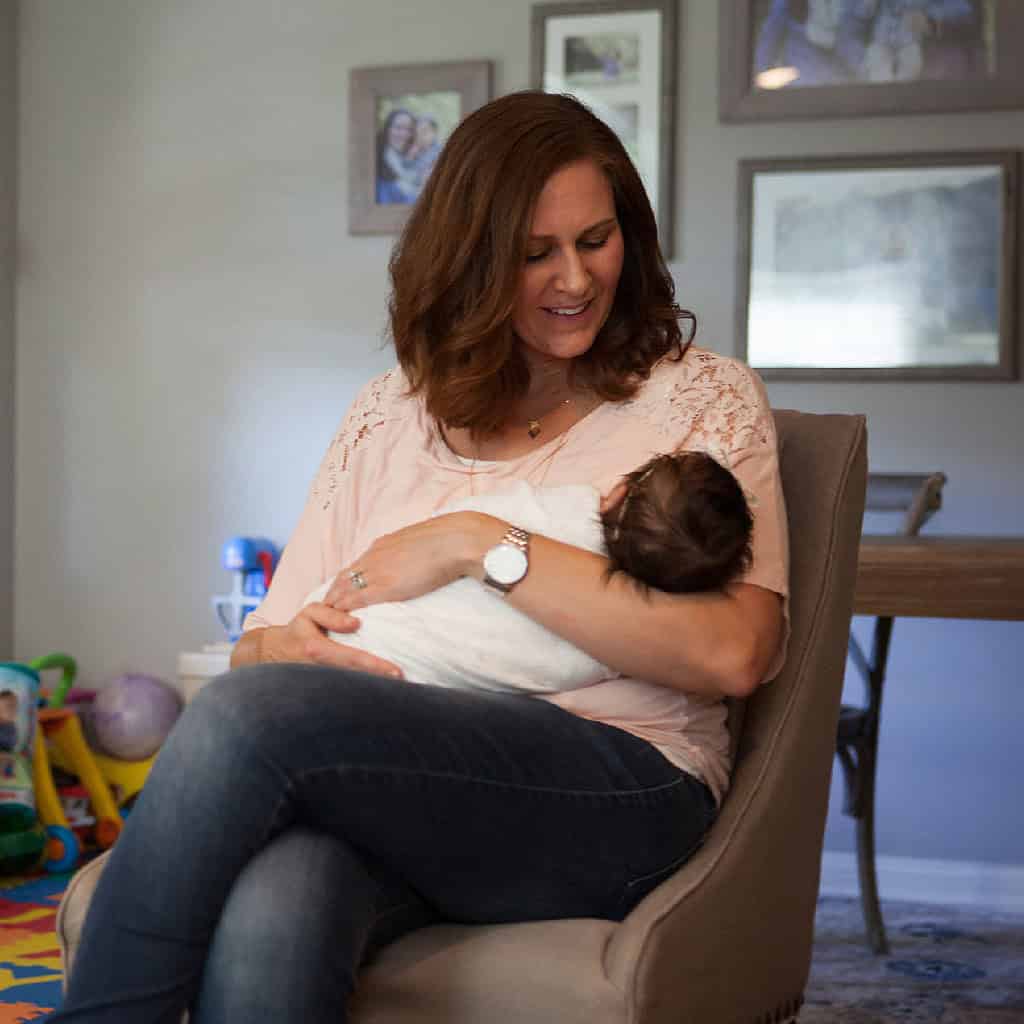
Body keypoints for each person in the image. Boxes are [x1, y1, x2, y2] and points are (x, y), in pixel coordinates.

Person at [53, 91, 788, 1023]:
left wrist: (476, 544)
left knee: (247, 723)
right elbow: (260, 652)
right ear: (472, 264)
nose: (574, 278)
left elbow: (736, 651)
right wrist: (288, 652)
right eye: (534, 254)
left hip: (622, 788)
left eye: (596, 240)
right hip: (405, 788)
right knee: (279, 899)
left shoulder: (701, 401)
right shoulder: (386, 415)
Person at [306, 451, 754, 695]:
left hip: (350, 631)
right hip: (404, 684)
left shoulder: (555, 510)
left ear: (617, 492)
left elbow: (448, 529)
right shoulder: (610, 654)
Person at [374, 107, 418, 205]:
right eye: (398, 128)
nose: (404, 134)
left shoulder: (408, 160)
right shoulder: (376, 164)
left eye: (409, 130)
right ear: (387, 129)